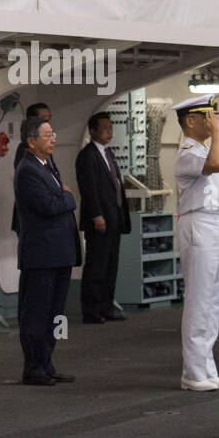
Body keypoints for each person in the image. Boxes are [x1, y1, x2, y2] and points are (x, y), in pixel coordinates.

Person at [172, 95, 219, 392]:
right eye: (207, 115)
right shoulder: (187, 151)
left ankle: (207, 367)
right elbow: (218, 163)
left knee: (213, 300)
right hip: (199, 224)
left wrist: (216, 134)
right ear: (190, 121)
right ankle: (193, 371)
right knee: (199, 299)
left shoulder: (204, 148)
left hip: (215, 225)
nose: (214, 120)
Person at [14, 116, 82, 385]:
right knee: (36, 314)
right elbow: (49, 206)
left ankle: (47, 363)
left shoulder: (48, 166)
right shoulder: (28, 170)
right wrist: (67, 197)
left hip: (58, 254)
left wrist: (62, 196)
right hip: (41, 256)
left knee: (55, 314)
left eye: (53, 134)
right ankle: (33, 367)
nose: (53, 139)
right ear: (31, 142)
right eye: (46, 135)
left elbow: (57, 200)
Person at [75, 111, 130, 324]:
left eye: (111, 128)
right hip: (99, 220)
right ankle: (91, 310)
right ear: (93, 131)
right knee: (96, 266)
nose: (109, 132)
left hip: (114, 218)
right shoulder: (88, 155)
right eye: (105, 128)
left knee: (110, 266)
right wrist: (97, 215)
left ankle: (106, 307)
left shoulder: (108, 154)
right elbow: (89, 189)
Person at [12, 102, 55, 236]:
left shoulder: (45, 149)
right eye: (43, 118)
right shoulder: (25, 150)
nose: (47, 121)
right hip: (32, 220)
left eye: (49, 117)